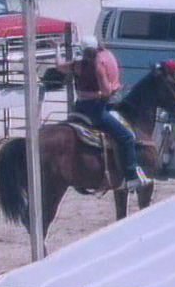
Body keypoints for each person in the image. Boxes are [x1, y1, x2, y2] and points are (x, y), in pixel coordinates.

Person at [56, 36, 151, 191]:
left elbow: (59, 66)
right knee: (126, 137)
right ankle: (131, 176)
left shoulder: (76, 65)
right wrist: (114, 88)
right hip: (95, 110)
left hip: (79, 108)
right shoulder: (97, 66)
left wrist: (57, 48)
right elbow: (106, 92)